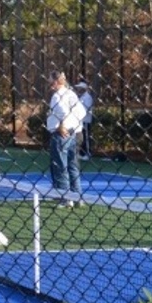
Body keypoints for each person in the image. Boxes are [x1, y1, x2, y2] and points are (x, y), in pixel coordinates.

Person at [46, 72, 85, 208]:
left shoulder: (57, 96)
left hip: (61, 135)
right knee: (73, 166)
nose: (50, 84)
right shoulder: (72, 94)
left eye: (51, 81)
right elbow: (82, 112)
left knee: (61, 166)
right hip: (73, 134)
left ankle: (66, 198)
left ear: (57, 82)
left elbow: (63, 111)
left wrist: (63, 125)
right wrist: (73, 125)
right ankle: (78, 197)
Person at [74, 81, 94, 160]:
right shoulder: (79, 97)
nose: (78, 89)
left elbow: (86, 109)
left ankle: (87, 153)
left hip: (85, 120)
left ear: (84, 89)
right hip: (79, 121)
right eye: (78, 88)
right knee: (81, 137)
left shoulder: (88, 97)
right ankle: (81, 153)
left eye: (80, 88)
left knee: (86, 136)